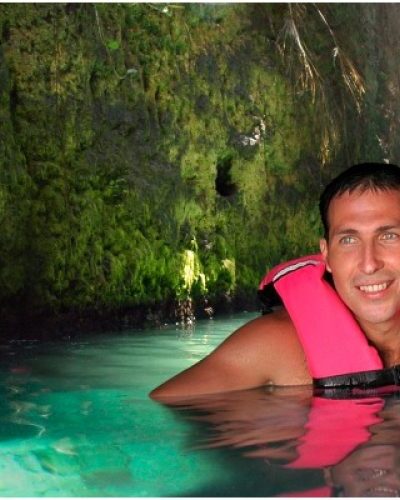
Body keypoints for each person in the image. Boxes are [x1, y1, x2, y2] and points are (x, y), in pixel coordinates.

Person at [150, 162, 400, 400]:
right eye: (348, 240)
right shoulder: (271, 347)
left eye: (389, 236)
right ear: (327, 256)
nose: (369, 264)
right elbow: (153, 415)